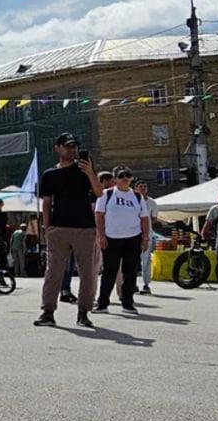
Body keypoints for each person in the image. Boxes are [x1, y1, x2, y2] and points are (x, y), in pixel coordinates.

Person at [34, 133, 102, 328]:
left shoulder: (84, 170)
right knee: (53, 271)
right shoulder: (49, 175)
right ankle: (48, 312)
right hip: (59, 228)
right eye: (67, 146)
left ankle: (83, 312)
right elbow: (46, 204)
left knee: (87, 272)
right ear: (57, 148)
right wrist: (48, 229)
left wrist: (90, 172)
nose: (72, 149)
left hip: (84, 228)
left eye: (74, 146)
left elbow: (99, 193)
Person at [94, 167, 149, 315]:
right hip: (111, 238)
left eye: (128, 176)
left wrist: (145, 238)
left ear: (131, 179)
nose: (125, 178)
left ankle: (128, 303)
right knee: (109, 272)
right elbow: (99, 215)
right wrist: (101, 236)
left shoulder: (137, 197)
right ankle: (102, 304)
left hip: (133, 238)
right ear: (115, 179)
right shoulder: (107, 194)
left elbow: (144, 218)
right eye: (121, 176)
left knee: (130, 272)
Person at [135, 181, 158, 294]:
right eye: (141, 186)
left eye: (145, 186)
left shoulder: (152, 202)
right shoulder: (132, 200)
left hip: (147, 234)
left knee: (146, 259)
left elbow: (154, 218)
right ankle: (132, 283)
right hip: (132, 233)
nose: (143, 188)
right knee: (132, 260)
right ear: (136, 189)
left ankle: (146, 284)